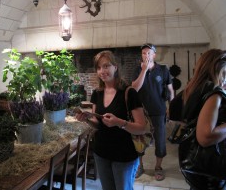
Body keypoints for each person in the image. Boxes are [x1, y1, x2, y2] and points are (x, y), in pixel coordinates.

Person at [75, 50, 146, 190]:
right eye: (99, 67)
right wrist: (87, 119)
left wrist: (119, 122)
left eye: (106, 66)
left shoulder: (129, 92)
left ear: (116, 67)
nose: (102, 71)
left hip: (124, 154)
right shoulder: (96, 93)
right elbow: (97, 125)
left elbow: (142, 127)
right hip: (101, 152)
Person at [181, 49, 226, 190]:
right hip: (210, 169)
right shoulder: (214, 92)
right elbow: (205, 136)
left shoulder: (194, 88)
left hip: (196, 164)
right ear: (219, 68)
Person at [131, 43, 174, 181]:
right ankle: (140, 166)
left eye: (149, 53)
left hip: (158, 110)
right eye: (144, 53)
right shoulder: (137, 70)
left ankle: (158, 167)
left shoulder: (163, 69)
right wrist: (144, 70)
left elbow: (171, 90)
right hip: (140, 112)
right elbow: (134, 89)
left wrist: (171, 108)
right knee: (139, 141)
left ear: (154, 54)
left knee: (160, 141)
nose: (146, 55)